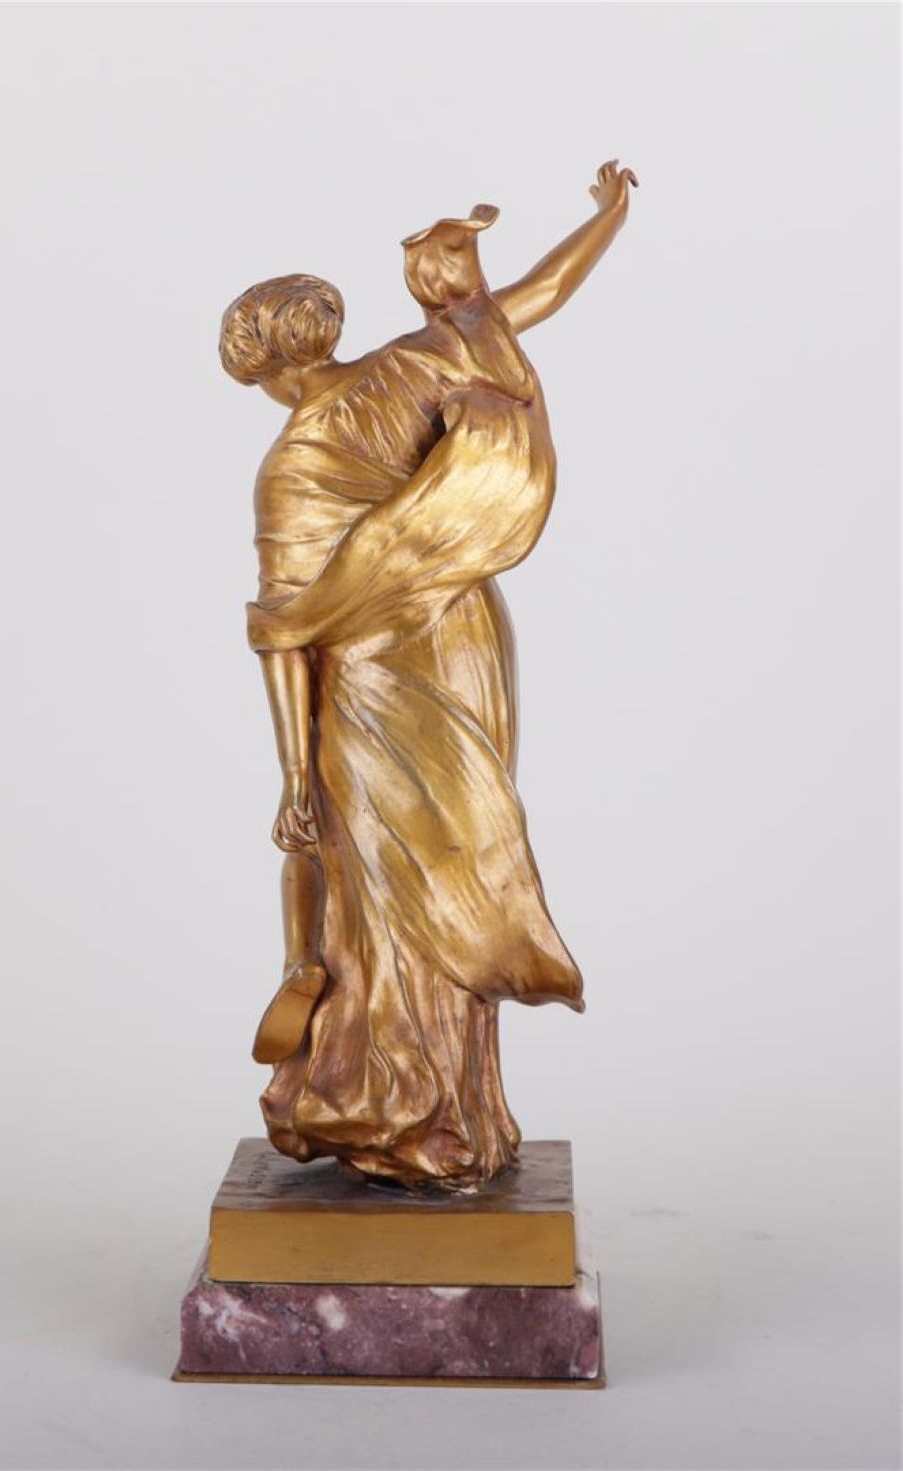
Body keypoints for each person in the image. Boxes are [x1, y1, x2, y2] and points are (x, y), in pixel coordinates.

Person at [220, 161, 637, 1190]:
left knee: (379, 886)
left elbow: (285, 631)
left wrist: (292, 773)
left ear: (262, 368)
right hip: (462, 631)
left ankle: (395, 1106)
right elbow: (535, 295)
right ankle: (455, 1112)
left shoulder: (288, 467)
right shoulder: (411, 363)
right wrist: (610, 214)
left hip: (371, 679)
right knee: (454, 855)